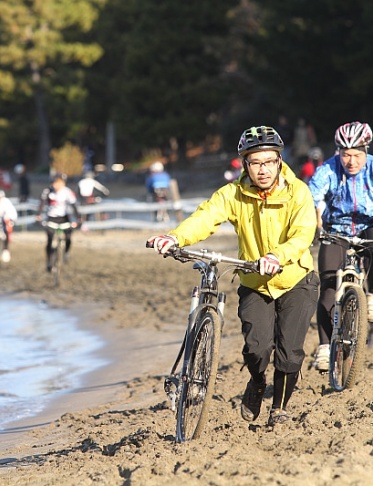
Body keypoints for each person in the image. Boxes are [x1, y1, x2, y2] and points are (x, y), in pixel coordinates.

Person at [147, 125, 319, 427]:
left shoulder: (298, 192)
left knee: (289, 354)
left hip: (295, 279)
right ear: (245, 165)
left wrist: (276, 257)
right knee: (257, 349)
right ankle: (256, 382)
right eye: (255, 162)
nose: (262, 170)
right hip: (254, 281)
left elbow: (303, 234)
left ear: (279, 161)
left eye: (268, 161)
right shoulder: (233, 194)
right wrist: (175, 237)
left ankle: (278, 410)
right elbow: (204, 218)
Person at [308, 121, 373, 371]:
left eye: (356, 155)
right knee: (329, 286)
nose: (351, 161)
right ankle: (323, 346)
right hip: (337, 230)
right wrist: (312, 228)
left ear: (366, 151)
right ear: (338, 153)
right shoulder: (328, 170)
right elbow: (310, 200)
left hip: (369, 226)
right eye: (345, 155)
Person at [37, 173, 81, 272]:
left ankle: (66, 252)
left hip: (64, 218)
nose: (57, 185)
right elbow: (42, 204)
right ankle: (49, 261)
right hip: (51, 218)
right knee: (50, 239)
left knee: (68, 237)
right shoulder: (47, 191)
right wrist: (38, 216)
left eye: (60, 183)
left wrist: (79, 218)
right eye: (55, 182)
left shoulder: (67, 192)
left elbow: (74, 205)